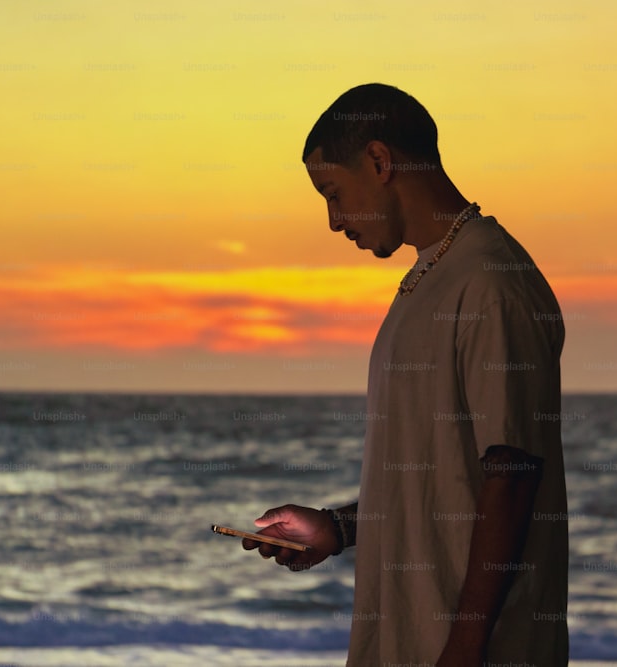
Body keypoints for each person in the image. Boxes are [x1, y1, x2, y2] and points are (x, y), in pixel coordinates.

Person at [242, 83, 569, 666]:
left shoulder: (491, 281)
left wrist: (464, 649)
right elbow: (440, 482)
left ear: (379, 161)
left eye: (334, 193)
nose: (333, 220)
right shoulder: (427, 278)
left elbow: (513, 476)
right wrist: (337, 529)